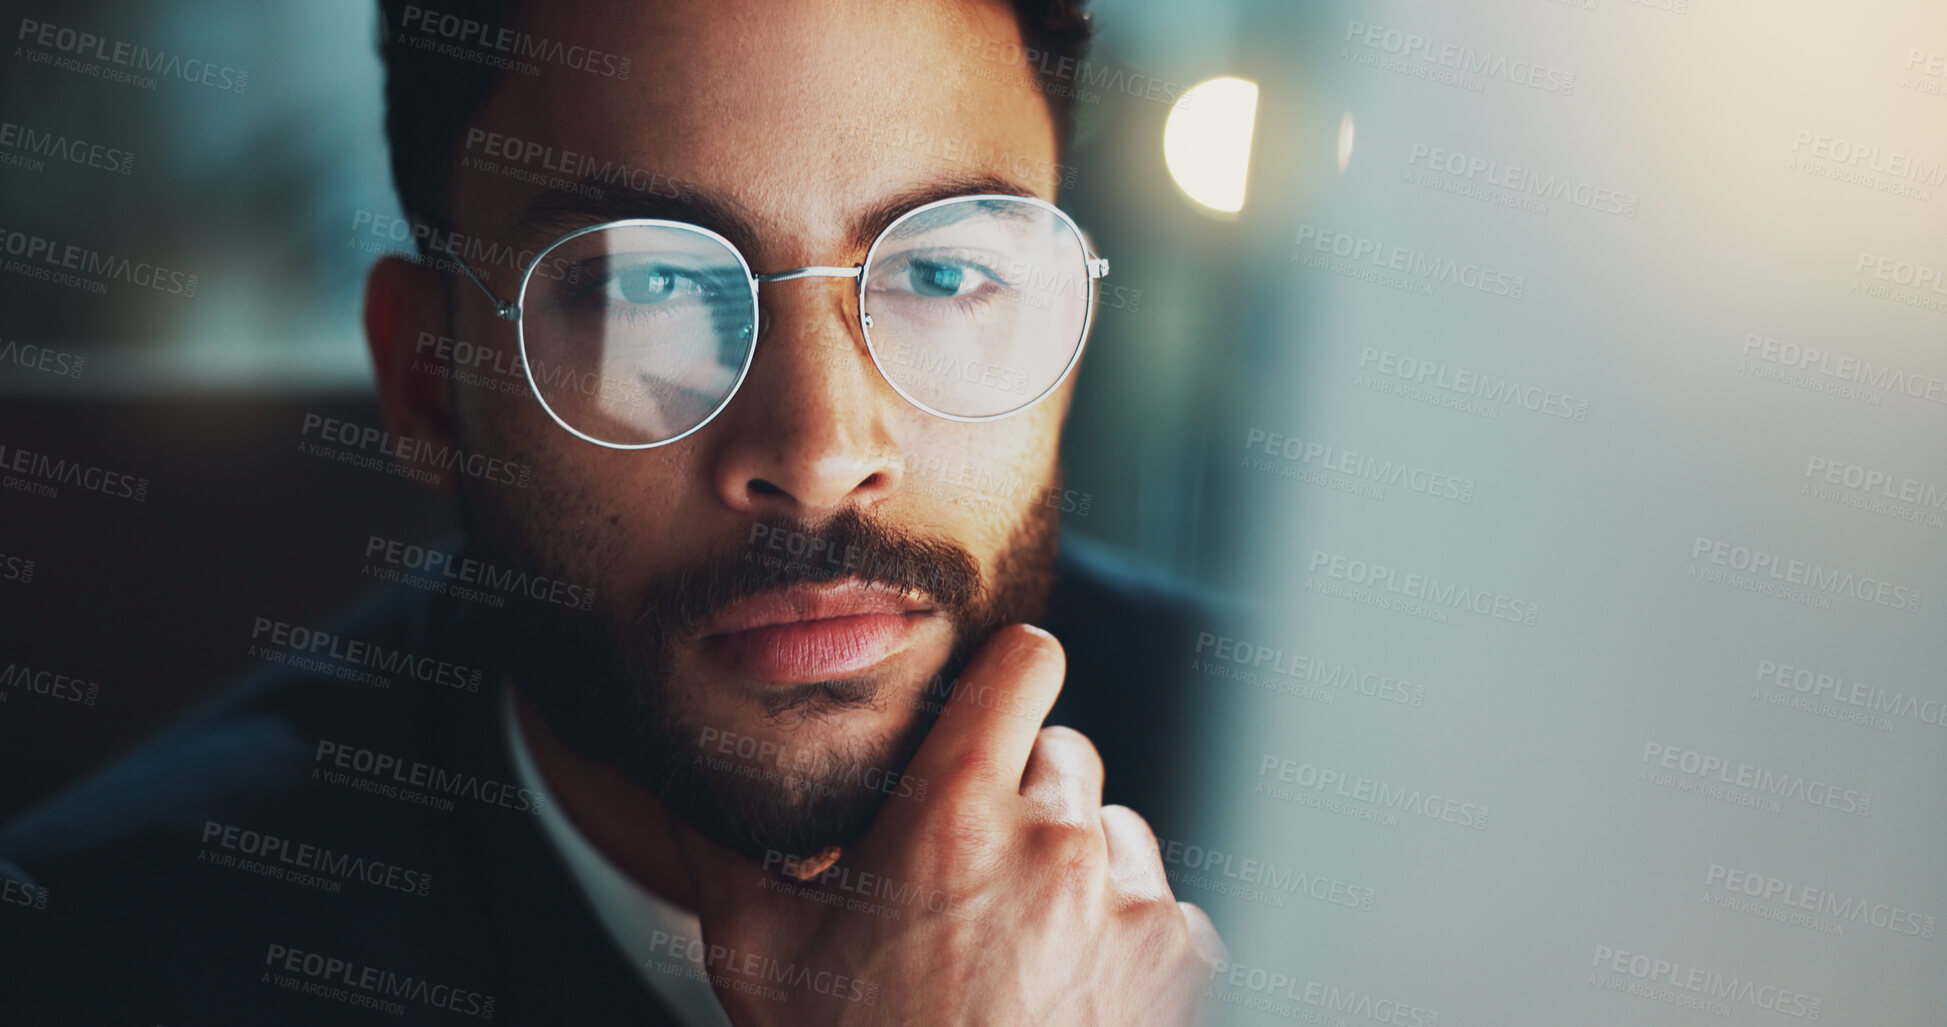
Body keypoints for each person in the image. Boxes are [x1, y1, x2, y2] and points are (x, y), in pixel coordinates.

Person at [0, 1, 1227, 1022]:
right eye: (649, 286)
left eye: (945, 273)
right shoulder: (99, 967)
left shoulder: (1319, 778)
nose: (817, 452)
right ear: (432, 386)